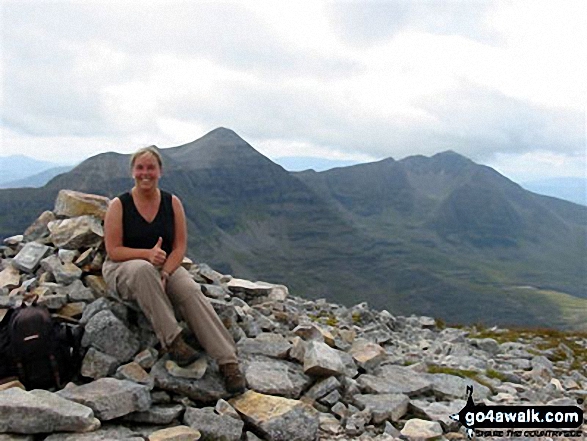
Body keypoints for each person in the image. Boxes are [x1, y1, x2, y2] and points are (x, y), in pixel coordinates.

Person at [102, 146, 245, 394]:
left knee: (190, 290)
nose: (145, 173)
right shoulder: (120, 205)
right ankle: (174, 342)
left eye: (151, 168)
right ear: (132, 172)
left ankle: (228, 362)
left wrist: (167, 272)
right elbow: (113, 250)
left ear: (160, 171)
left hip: (162, 265)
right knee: (144, 271)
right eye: (140, 168)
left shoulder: (172, 203)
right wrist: (146, 254)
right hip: (123, 267)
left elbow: (179, 247)